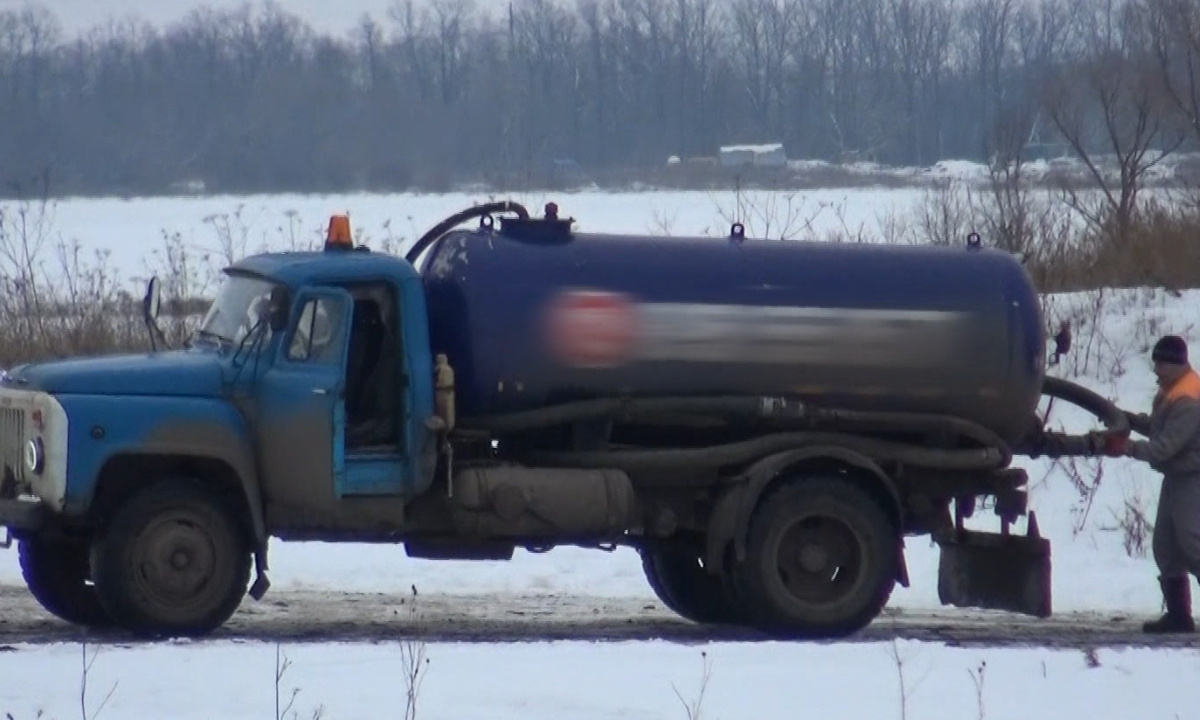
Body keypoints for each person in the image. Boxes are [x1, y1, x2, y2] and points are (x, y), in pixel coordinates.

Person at [1103, 335, 1200, 633]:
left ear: (1175, 364)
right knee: (1166, 547)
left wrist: (1126, 447)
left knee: (1194, 546)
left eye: (1160, 363)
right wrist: (1129, 421)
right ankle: (1179, 616)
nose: (1156, 369)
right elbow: (1159, 429)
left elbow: (1164, 447)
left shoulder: (1188, 399)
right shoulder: (1172, 390)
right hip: (1176, 477)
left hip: (1192, 479)